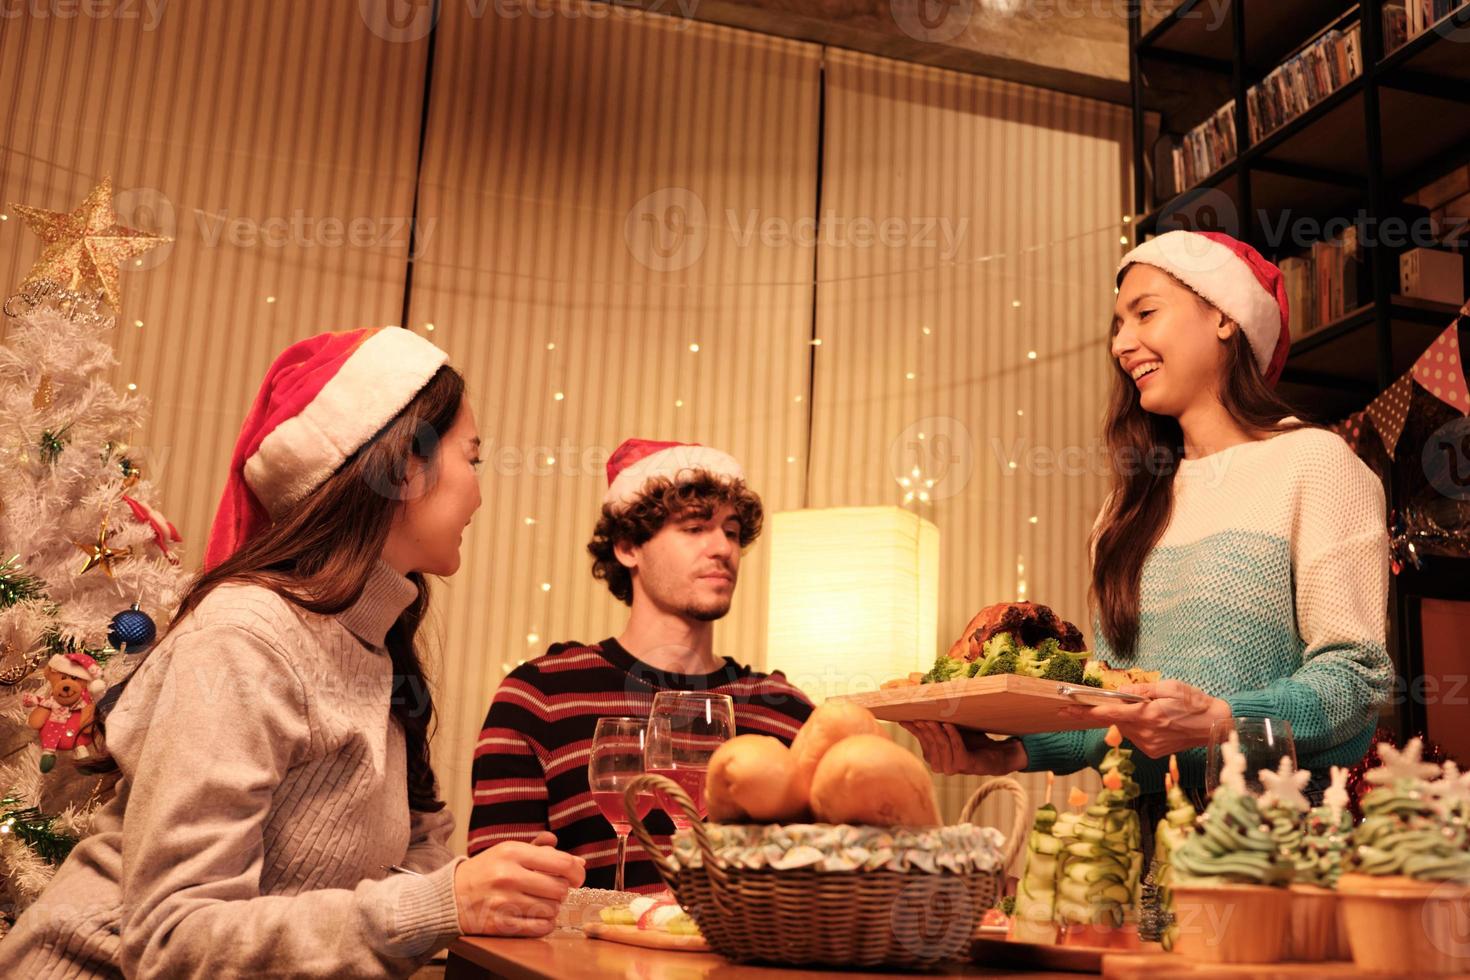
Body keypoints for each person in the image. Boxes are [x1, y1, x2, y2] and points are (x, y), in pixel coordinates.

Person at [0, 327, 584, 978]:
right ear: (402, 466)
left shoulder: (375, 645)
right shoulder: (245, 639)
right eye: (472, 457)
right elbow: (171, 942)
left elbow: (416, 858)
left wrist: (484, 886)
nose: (478, 490)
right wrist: (438, 903)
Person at [904, 231, 1393, 846]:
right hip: (1136, 861)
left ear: (1223, 315)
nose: (1121, 343)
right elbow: (1110, 710)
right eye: (1117, 324)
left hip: (1276, 855)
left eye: (1145, 313)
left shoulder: (1315, 465)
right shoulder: (1126, 509)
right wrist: (1001, 754)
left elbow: (1357, 679)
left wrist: (1219, 720)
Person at [468, 438, 813, 890]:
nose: (722, 549)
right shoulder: (540, 695)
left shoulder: (784, 710)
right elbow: (496, 904)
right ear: (628, 546)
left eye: (731, 531)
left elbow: (843, 877)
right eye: (694, 529)